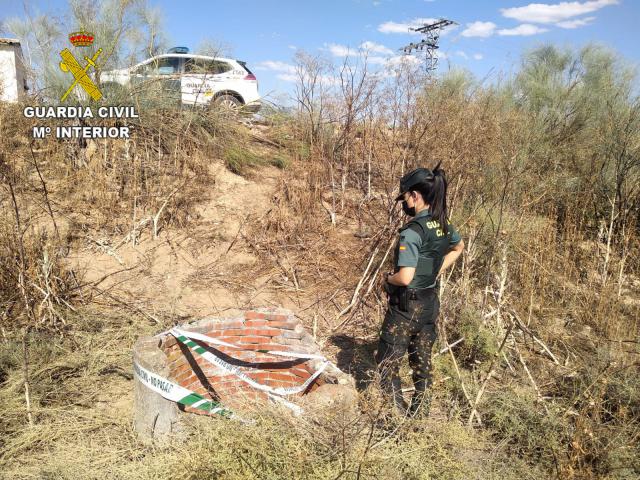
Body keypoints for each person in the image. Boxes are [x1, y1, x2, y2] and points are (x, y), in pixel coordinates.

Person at [375, 164, 464, 416]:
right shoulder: (443, 225)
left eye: (404, 197)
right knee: (421, 365)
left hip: (406, 308)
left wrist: (388, 278)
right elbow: (458, 248)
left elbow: (404, 277)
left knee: (388, 364)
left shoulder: (413, 232)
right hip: (429, 305)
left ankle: (396, 421)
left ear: (414, 196)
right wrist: (436, 271)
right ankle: (419, 418)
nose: (404, 203)